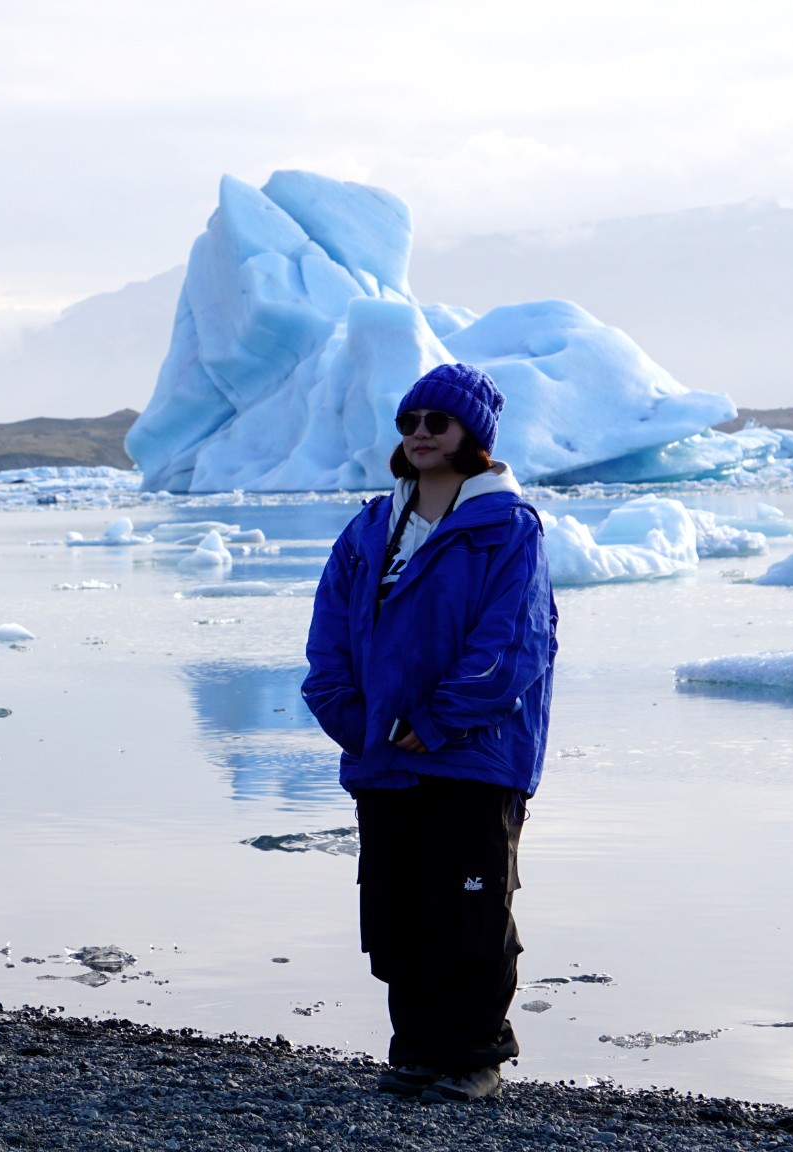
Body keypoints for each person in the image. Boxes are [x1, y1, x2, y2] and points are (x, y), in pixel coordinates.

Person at [300, 362, 557, 1104]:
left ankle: (473, 1057)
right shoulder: (373, 526)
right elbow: (329, 637)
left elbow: (515, 643)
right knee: (398, 907)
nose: (418, 434)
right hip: (384, 753)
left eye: (435, 424)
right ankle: (416, 1050)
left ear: (469, 434)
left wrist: (440, 719)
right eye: (409, 423)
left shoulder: (506, 529)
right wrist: (352, 719)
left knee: (471, 907)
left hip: (476, 755)